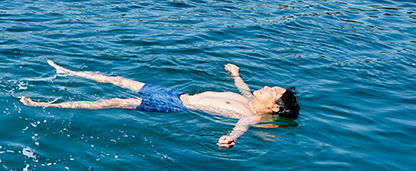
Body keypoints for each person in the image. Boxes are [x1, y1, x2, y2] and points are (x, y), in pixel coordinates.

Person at [20, 60, 299, 148]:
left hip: (176, 107)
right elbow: (243, 87)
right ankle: (70, 72)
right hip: (174, 93)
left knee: (115, 102)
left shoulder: (250, 116)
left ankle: (47, 105)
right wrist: (236, 75)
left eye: (271, 90)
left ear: (273, 108)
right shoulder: (250, 98)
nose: (265, 87)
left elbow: (240, 128)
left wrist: (229, 139)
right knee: (118, 80)